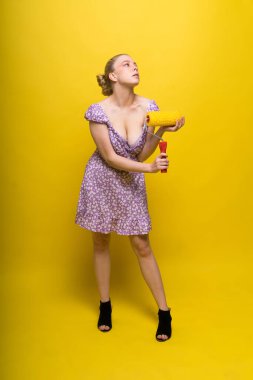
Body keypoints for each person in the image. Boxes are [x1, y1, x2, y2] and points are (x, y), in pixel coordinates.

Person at [75, 53, 185, 342]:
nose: (134, 66)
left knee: (142, 244)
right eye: (126, 64)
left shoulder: (149, 107)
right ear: (112, 76)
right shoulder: (97, 111)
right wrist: (148, 169)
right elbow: (111, 158)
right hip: (101, 180)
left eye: (135, 63)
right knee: (100, 240)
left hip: (131, 178)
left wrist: (160, 130)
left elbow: (139, 153)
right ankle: (105, 305)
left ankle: (164, 312)